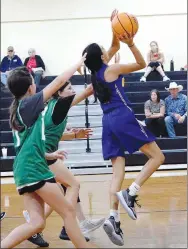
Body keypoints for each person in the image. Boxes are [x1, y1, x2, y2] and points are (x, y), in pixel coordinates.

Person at [1, 59, 97, 248]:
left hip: (24, 169)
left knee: (37, 223)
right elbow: (59, 81)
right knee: (68, 211)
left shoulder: (22, 110)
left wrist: (50, 156)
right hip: (33, 169)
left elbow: (28, 145)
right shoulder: (28, 104)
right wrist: (79, 63)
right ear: (30, 87)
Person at [82, 25, 165, 246]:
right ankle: (131, 192)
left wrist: (113, 28)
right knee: (158, 157)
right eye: (103, 49)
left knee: (117, 172)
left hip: (107, 122)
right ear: (101, 55)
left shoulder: (95, 71)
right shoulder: (111, 69)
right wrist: (131, 43)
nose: (106, 49)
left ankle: (113, 216)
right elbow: (141, 64)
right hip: (121, 116)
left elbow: (112, 45)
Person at [23, 81, 104, 247]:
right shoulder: (60, 106)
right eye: (69, 88)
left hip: (41, 154)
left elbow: (52, 134)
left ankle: (34, 227)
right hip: (45, 156)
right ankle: (69, 225)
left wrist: (75, 136)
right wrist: (101, 65)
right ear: (59, 93)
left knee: (60, 192)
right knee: (73, 184)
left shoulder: (51, 107)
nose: (73, 90)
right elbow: (89, 89)